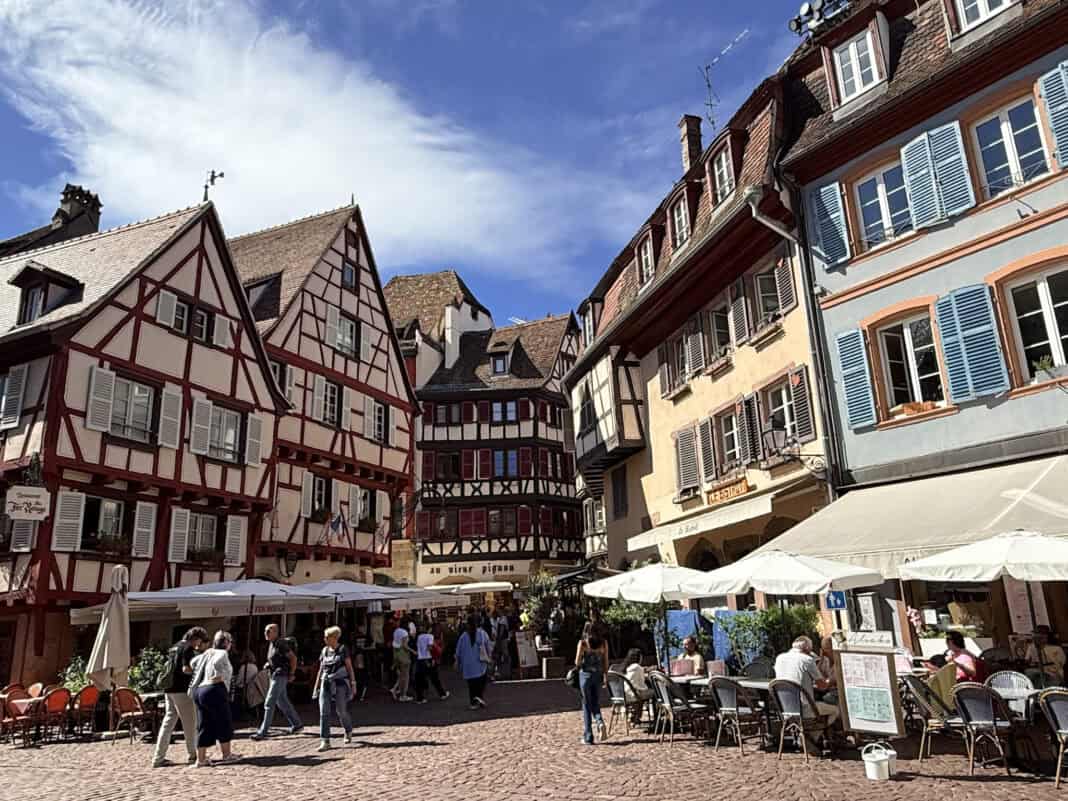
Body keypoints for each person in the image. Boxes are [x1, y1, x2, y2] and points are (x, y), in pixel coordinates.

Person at [151, 626, 207, 768]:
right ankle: (194, 755)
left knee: (168, 723)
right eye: (200, 641)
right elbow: (185, 669)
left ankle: (158, 757)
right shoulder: (187, 648)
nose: (199, 645)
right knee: (190, 724)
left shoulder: (174, 647)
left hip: (169, 689)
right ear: (196, 638)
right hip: (181, 690)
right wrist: (198, 671)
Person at [189, 630, 240, 767]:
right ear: (226, 642)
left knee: (204, 724)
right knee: (224, 721)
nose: (230, 645)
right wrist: (219, 675)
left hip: (200, 690)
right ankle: (227, 755)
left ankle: (201, 759)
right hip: (214, 689)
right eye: (230, 642)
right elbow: (217, 662)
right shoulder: (222, 653)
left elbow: (193, 663)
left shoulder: (208, 652)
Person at [250, 623, 302, 740]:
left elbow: (293, 658)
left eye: (268, 631)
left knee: (269, 702)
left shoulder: (280, 644)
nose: (266, 633)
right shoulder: (271, 644)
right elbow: (276, 659)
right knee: (282, 702)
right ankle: (297, 724)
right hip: (274, 675)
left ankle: (263, 732)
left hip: (280, 675)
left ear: (275, 632)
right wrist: (269, 664)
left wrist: (292, 673)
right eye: (265, 631)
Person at [773, 636, 839, 725]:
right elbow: (823, 686)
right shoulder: (806, 660)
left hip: (785, 709)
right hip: (805, 709)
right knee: (835, 710)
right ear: (807, 648)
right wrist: (832, 679)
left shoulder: (779, 658)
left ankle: (807, 732)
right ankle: (817, 733)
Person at [312, 626, 355, 751]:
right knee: (324, 711)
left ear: (334, 638)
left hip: (340, 683)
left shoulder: (342, 649)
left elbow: (349, 667)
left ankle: (348, 729)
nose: (324, 639)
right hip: (326, 682)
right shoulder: (324, 651)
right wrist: (316, 686)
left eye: (327, 637)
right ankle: (325, 740)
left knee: (341, 710)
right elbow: (321, 669)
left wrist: (353, 683)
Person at [575, 629, 608, 745]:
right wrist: (605, 675)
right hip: (598, 676)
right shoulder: (603, 643)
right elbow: (605, 661)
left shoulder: (583, 643)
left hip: (585, 676)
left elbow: (577, 662)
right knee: (595, 703)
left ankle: (588, 736)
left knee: (586, 704)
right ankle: (600, 722)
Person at [455, 615, 491, 710]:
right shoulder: (482, 633)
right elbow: (488, 646)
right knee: (480, 683)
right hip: (480, 664)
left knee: (471, 686)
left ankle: (474, 702)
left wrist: (457, 662)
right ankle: (479, 699)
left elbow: (458, 651)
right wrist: (489, 657)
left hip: (468, 665)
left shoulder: (463, 636)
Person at [414, 623, 450, 703]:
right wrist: (433, 658)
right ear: (429, 629)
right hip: (428, 659)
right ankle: (442, 694)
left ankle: (420, 698)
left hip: (420, 659)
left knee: (419, 679)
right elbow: (431, 648)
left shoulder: (419, 637)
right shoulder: (430, 636)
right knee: (434, 678)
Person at [390, 625, 415, 701]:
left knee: (401, 676)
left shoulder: (396, 631)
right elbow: (405, 646)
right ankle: (403, 695)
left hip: (396, 654)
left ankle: (395, 689)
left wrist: (394, 663)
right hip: (404, 656)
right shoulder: (404, 633)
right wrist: (413, 651)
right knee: (405, 677)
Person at [816, 636, 839, 705]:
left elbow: (827, 684)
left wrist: (823, 681)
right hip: (828, 690)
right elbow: (816, 674)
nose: (824, 652)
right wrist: (821, 659)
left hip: (837, 693)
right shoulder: (825, 660)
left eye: (826, 648)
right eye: (823, 649)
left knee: (826, 698)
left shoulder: (838, 662)